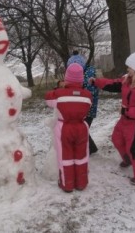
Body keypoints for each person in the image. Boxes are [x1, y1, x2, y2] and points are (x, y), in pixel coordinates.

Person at [90, 44, 135, 185]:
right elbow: (113, 84)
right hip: (125, 119)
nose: (127, 69)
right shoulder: (127, 79)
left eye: (130, 67)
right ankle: (128, 158)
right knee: (116, 138)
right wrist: (96, 82)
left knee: (134, 148)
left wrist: (127, 111)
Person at [45, 63, 92, 192]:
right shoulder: (87, 95)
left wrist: (59, 87)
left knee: (65, 157)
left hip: (64, 127)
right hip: (81, 127)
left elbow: (48, 99)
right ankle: (81, 183)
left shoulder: (58, 94)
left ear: (67, 78)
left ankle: (68, 184)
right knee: (81, 156)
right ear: (81, 79)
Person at [67, 50, 99, 155]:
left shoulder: (89, 74)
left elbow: (90, 92)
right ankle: (91, 148)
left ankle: (88, 149)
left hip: (89, 108)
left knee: (83, 129)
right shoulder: (86, 72)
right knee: (83, 129)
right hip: (83, 107)